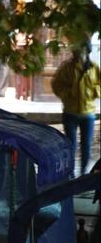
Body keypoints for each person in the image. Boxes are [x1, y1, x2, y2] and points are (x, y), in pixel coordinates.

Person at [52, 42, 101, 176]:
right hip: (70, 112)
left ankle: (84, 174)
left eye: (82, 48)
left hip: (88, 113)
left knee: (86, 147)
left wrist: (93, 92)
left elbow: (99, 85)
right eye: (77, 48)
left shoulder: (94, 68)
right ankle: (70, 172)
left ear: (87, 50)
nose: (79, 51)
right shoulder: (66, 67)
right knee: (71, 146)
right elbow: (56, 85)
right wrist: (67, 94)